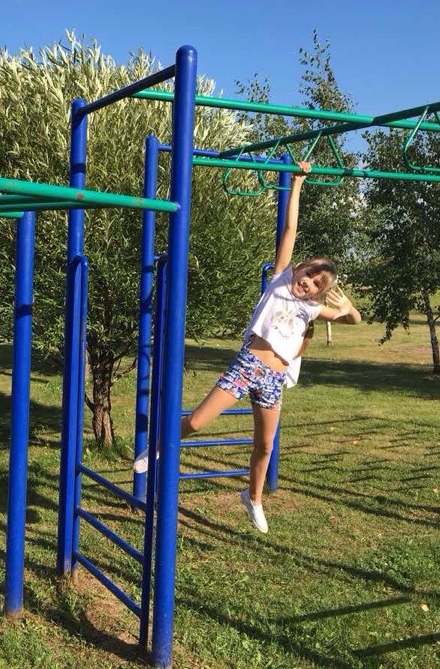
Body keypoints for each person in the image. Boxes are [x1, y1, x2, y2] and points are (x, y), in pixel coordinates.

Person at [134, 161, 360, 534]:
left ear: (319, 292)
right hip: (248, 365)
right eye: (309, 274)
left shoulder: (312, 309)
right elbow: (290, 229)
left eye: (317, 283)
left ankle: (252, 498)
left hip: (274, 378)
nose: (309, 282)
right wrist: (297, 184)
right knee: (198, 421)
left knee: (265, 446)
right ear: (299, 268)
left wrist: (349, 307)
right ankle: (156, 447)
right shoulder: (280, 281)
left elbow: (353, 320)